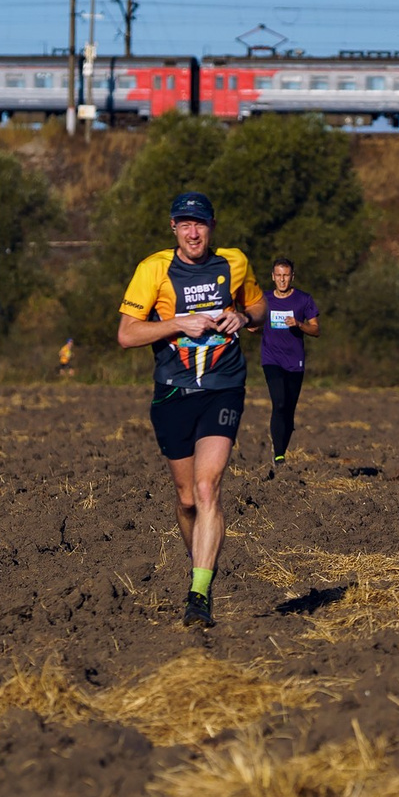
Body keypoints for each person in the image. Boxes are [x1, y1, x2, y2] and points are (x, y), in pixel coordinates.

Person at [115, 191, 262, 628]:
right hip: (173, 392)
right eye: (184, 224)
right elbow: (126, 334)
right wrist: (178, 323)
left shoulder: (235, 262)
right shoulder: (153, 270)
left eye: (199, 224)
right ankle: (199, 557)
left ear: (211, 226)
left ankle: (199, 591)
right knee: (185, 500)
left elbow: (257, 305)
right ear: (173, 228)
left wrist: (244, 318)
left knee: (206, 489)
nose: (192, 231)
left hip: (224, 387)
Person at [258, 257, 320, 474]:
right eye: (278, 275)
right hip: (271, 359)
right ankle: (279, 455)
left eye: (286, 275)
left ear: (292, 277)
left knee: (289, 410)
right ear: (272, 276)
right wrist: (252, 326)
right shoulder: (263, 299)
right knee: (279, 402)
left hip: (295, 362)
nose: (282, 280)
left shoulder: (303, 299)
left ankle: (281, 451)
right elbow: (255, 323)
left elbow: (316, 330)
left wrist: (299, 324)